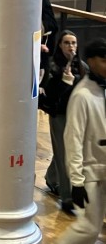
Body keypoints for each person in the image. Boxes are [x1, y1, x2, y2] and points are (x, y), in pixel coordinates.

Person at [44, 38, 106, 244]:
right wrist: (77, 181)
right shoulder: (82, 95)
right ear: (91, 61)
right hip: (89, 171)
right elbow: (73, 139)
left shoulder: (102, 91)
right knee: (90, 225)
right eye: (103, 59)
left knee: (93, 227)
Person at [40, 31, 86, 214]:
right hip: (59, 115)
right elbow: (49, 96)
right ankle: (67, 198)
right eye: (67, 43)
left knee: (65, 150)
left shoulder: (82, 66)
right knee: (64, 154)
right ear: (60, 45)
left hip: (77, 115)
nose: (71, 46)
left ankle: (52, 178)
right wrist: (65, 82)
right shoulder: (53, 66)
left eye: (73, 43)